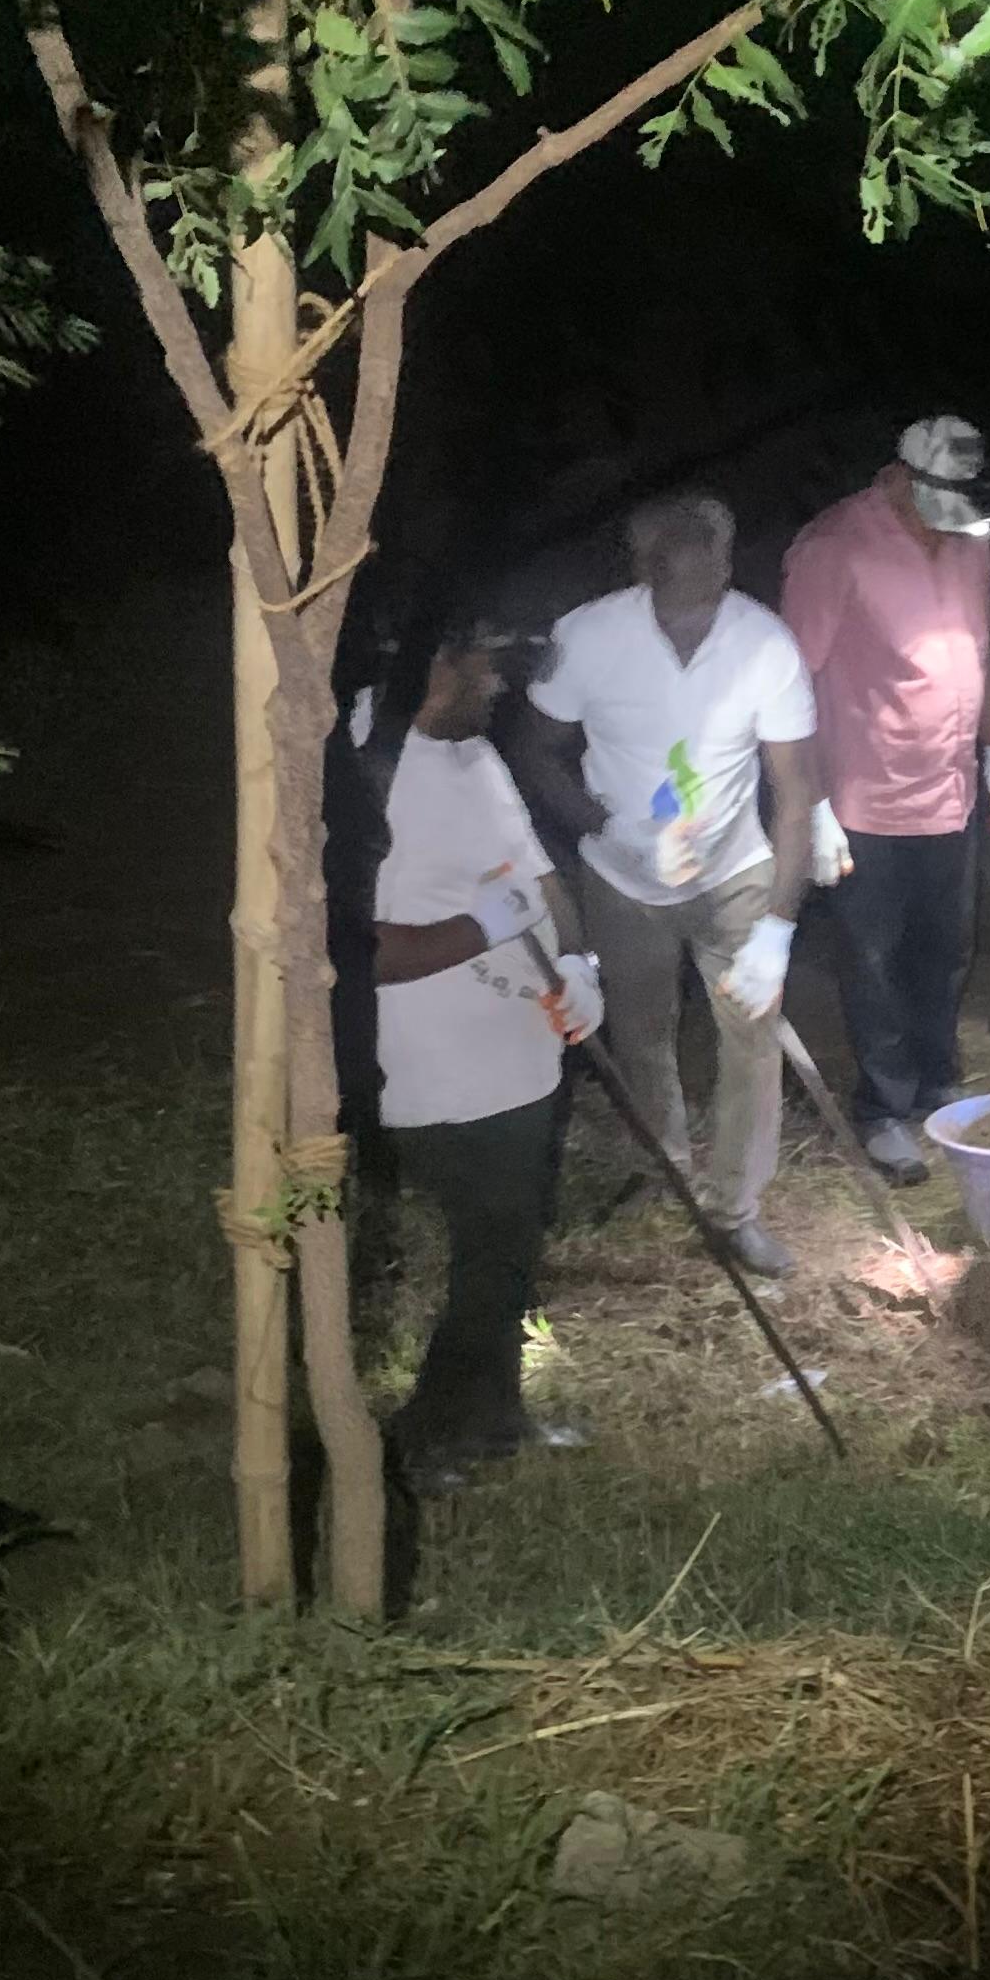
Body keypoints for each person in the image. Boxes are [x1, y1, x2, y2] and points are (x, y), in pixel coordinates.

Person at [519, 492, 827, 1280]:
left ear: (726, 558)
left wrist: (777, 930)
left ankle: (735, 1208)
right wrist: (605, 825)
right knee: (642, 1033)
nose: (704, 577)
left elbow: (795, 794)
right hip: (622, 878)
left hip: (735, 872)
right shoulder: (589, 636)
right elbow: (536, 751)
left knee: (752, 1039)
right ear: (646, 566)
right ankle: (666, 1170)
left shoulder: (764, 643)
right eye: (676, 561)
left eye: (712, 557)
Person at [359, 617, 605, 1496]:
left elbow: (539, 877)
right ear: (432, 664)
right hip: (435, 1070)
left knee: (511, 1247)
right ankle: (432, 1432)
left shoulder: (472, 755)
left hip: (521, 1061)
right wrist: (486, 925)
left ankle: (497, 1414)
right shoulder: (368, 776)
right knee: (488, 1253)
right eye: (484, 667)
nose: (499, 686)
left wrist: (579, 963)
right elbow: (363, 950)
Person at [779, 413, 990, 1186]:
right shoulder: (833, 549)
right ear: (904, 481)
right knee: (874, 960)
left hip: (951, 786)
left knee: (945, 950)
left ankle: (937, 1085)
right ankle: (883, 1108)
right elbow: (790, 686)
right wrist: (813, 806)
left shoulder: (971, 539)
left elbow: (979, 651)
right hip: (864, 798)